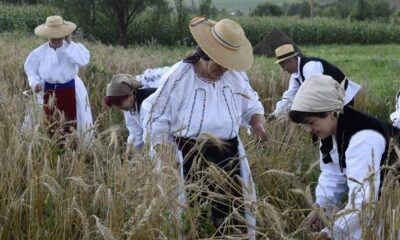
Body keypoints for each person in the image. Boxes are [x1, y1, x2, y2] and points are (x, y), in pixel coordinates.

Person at [142, 17, 267, 238]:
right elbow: (157, 118)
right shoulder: (179, 76)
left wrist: (257, 123)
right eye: (221, 63)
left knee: (231, 217)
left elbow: (252, 104)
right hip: (190, 158)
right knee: (194, 219)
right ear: (206, 54)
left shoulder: (235, 75)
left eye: (229, 64)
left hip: (230, 158)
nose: (224, 70)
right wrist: (164, 155)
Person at [289, 75, 393, 240]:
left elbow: (364, 203)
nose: (308, 129)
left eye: (311, 122)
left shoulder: (363, 138)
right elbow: (332, 175)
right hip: (377, 207)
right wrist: (321, 208)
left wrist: (330, 232)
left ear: (331, 112)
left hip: (391, 209)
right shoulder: (330, 131)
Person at [24, 15, 93, 142]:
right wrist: (35, 83)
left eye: (58, 35)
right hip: (48, 93)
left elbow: (84, 61)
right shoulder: (39, 53)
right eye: (52, 35)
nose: (55, 38)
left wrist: (71, 43)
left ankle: (73, 152)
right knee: (49, 125)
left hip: (71, 90)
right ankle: (52, 151)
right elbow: (30, 70)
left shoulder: (72, 48)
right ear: (47, 35)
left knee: (72, 125)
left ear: (64, 34)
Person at [271, 43, 361, 118]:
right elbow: (289, 97)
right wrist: (275, 115)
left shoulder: (311, 67)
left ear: (290, 61)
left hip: (343, 99)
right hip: (330, 101)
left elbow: (314, 92)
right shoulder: (295, 75)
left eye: (283, 66)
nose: (283, 70)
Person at [104, 73, 159, 150]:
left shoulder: (149, 102)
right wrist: (129, 155)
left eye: (120, 102)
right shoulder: (129, 107)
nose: (120, 107)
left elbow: (154, 136)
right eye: (116, 104)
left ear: (130, 94)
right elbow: (135, 134)